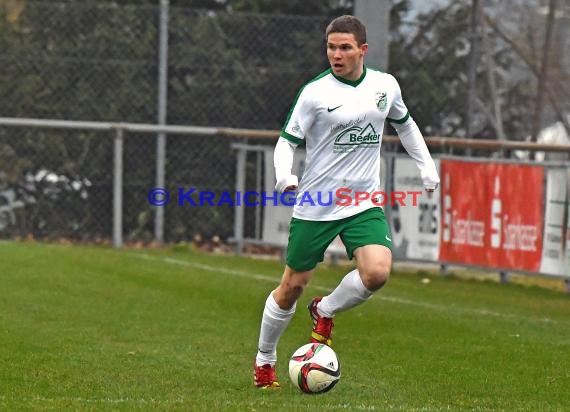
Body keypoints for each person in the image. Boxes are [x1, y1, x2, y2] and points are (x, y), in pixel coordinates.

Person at [253, 15, 440, 388]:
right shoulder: (315, 92)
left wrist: (426, 167)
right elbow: (286, 141)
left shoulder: (385, 86)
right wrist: (284, 176)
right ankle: (265, 360)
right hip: (316, 203)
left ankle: (325, 310)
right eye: (330, 47)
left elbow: (405, 124)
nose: (335, 55)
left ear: (362, 50)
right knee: (291, 286)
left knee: (378, 272)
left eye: (344, 48)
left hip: (362, 202)